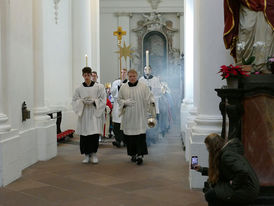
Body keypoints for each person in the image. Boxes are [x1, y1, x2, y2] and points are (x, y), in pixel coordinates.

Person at [194, 133, 259, 206]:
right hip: (246, 186)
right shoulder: (225, 152)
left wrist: (233, 183)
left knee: (210, 195)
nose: (208, 151)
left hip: (247, 190)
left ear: (214, 147)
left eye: (209, 148)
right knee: (212, 187)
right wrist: (202, 169)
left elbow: (243, 171)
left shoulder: (226, 155)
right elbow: (220, 171)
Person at [118, 69, 156, 165]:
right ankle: (133, 154)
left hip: (140, 115)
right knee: (130, 137)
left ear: (137, 76)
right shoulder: (123, 87)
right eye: (130, 76)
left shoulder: (143, 87)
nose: (132, 78)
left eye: (134, 76)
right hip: (128, 116)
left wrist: (152, 102)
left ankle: (140, 155)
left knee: (140, 136)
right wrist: (124, 102)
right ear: (127, 77)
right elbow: (119, 99)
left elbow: (150, 97)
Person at [223, 0, 274, 72]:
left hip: (266, 5)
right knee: (246, 29)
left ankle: (261, 65)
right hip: (247, 3)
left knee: (264, 30)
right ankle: (244, 64)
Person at [72, 67, 106, 164]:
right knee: (84, 136)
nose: (86, 77)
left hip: (94, 113)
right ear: (83, 75)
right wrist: (82, 101)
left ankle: (94, 154)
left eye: (88, 75)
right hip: (84, 114)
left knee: (94, 134)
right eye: (85, 75)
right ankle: (86, 155)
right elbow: (74, 101)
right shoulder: (79, 88)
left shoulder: (99, 87)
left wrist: (94, 101)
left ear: (91, 75)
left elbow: (103, 99)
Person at [139, 65, 161, 145]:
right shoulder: (141, 80)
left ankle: (154, 138)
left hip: (153, 103)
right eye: (145, 69)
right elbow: (139, 92)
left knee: (154, 121)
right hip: (144, 105)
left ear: (151, 70)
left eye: (148, 69)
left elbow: (159, 92)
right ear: (143, 70)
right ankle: (146, 138)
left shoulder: (156, 79)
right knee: (145, 122)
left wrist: (152, 90)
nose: (147, 71)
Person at [110, 68, 128, 148]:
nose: (123, 74)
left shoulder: (129, 83)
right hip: (117, 105)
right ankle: (118, 140)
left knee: (125, 124)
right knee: (117, 124)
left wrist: (123, 88)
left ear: (126, 73)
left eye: (124, 72)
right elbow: (113, 93)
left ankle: (125, 140)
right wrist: (118, 87)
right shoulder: (115, 82)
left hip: (125, 106)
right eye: (121, 72)